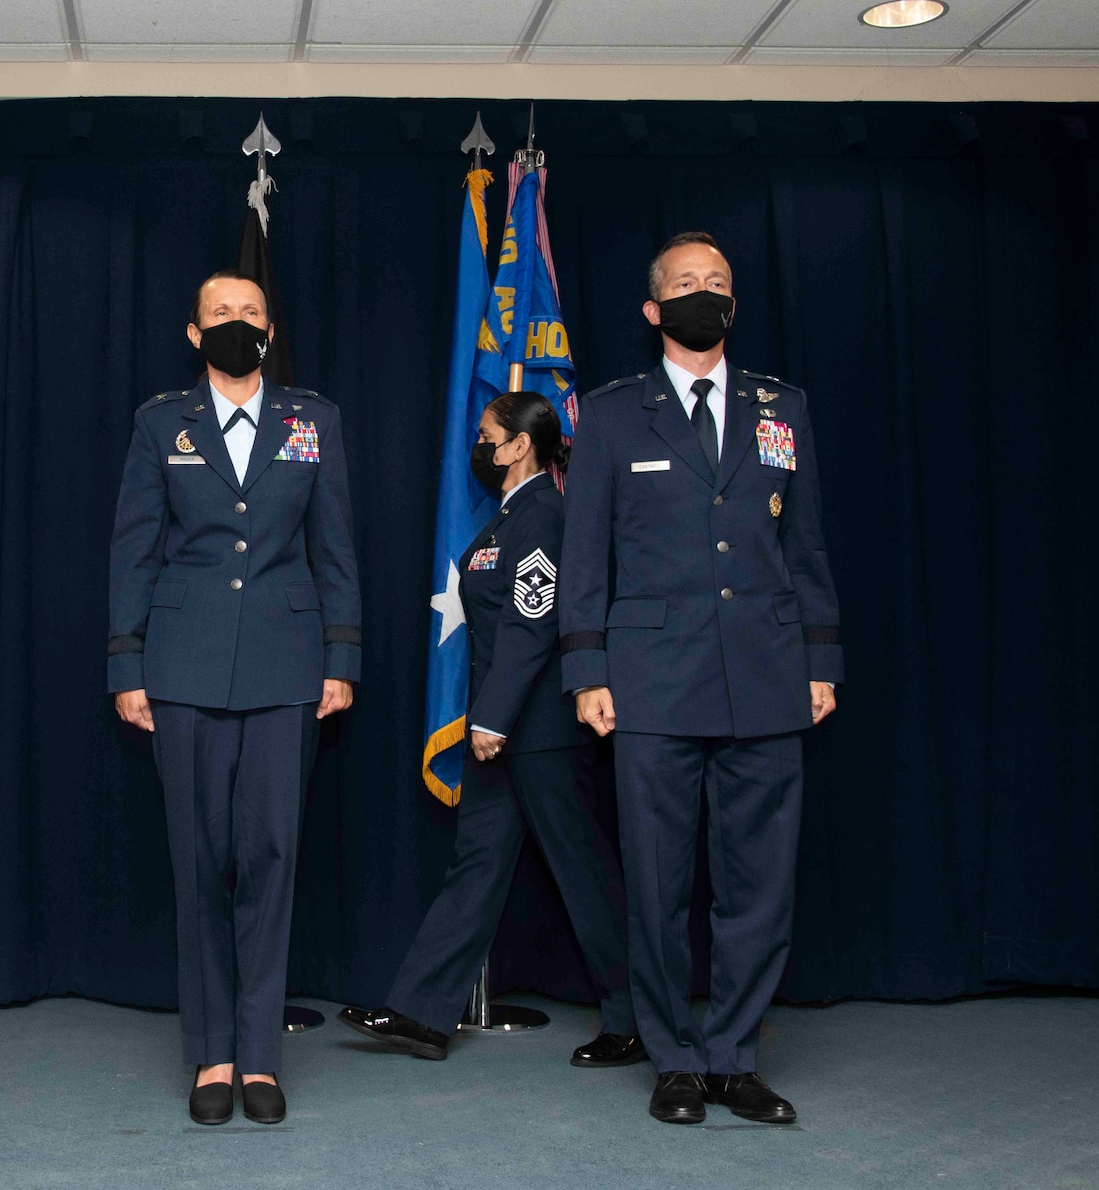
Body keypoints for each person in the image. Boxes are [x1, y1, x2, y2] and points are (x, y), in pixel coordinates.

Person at [558, 232, 841, 1125]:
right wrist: (586, 668)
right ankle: (674, 1056)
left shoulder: (780, 408)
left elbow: (806, 547)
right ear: (653, 311)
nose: (703, 294)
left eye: (718, 282)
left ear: (734, 303)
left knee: (759, 881)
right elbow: (583, 557)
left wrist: (820, 661)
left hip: (765, 671)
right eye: (685, 283)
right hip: (650, 680)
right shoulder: (609, 414)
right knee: (658, 880)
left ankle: (734, 1057)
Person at [107, 270, 361, 1127]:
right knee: (199, 861)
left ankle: (260, 1057)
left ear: (270, 327)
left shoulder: (312, 420)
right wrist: (126, 665)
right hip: (181, 666)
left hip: (289, 666)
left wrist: (342, 656)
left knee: (271, 860)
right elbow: (133, 550)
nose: (237, 323)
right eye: (221, 312)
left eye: (251, 312)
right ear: (193, 332)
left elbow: (336, 549)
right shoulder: (159, 424)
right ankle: (211, 1053)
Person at [338, 391, 639, 1068]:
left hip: (536, 732)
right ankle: (421, 1011)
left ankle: (638, 1018)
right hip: (501, 733)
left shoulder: (545, 516)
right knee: (476, 867)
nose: (479, 445)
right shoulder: (508, 519)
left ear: (519, 445)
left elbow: (532, 626)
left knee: (586, 876)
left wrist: (493, 717)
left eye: (487, 434)